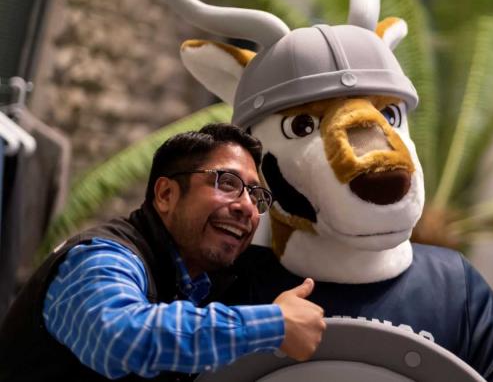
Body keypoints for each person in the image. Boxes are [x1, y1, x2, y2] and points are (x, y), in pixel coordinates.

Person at [0, 123, 326, 381]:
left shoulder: (202, 283)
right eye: (227, 183)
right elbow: (120, 336)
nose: (247, 207)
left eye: (256, 196)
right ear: (166, 194)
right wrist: (274, 324)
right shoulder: (100, 257)